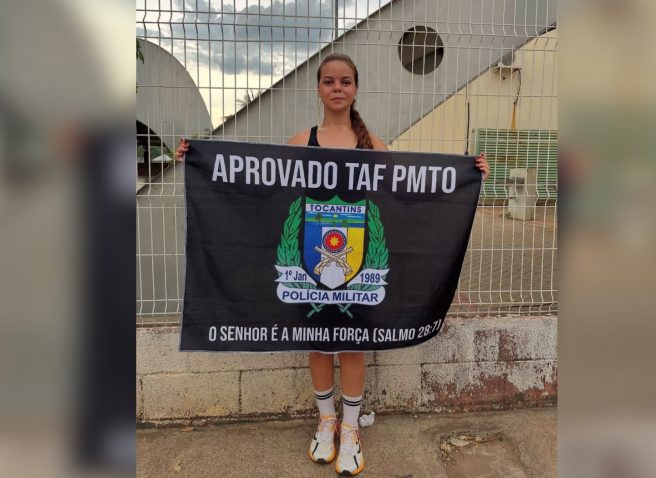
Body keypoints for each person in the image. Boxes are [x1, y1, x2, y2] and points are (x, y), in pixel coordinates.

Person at [176, 52, 489, 476]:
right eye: (329, 81)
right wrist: (199, 161)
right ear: (318, 89)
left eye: (345, 81)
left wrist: (467, 176)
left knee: (352, 343)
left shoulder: (372, 145)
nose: (337, 88)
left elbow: (406, 193)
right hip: (310, 263)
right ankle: (326, 422)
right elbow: (259, 186)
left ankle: (351, 427)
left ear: (355, 89)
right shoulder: (300, 142)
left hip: (356, 265)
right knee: (319, 342)